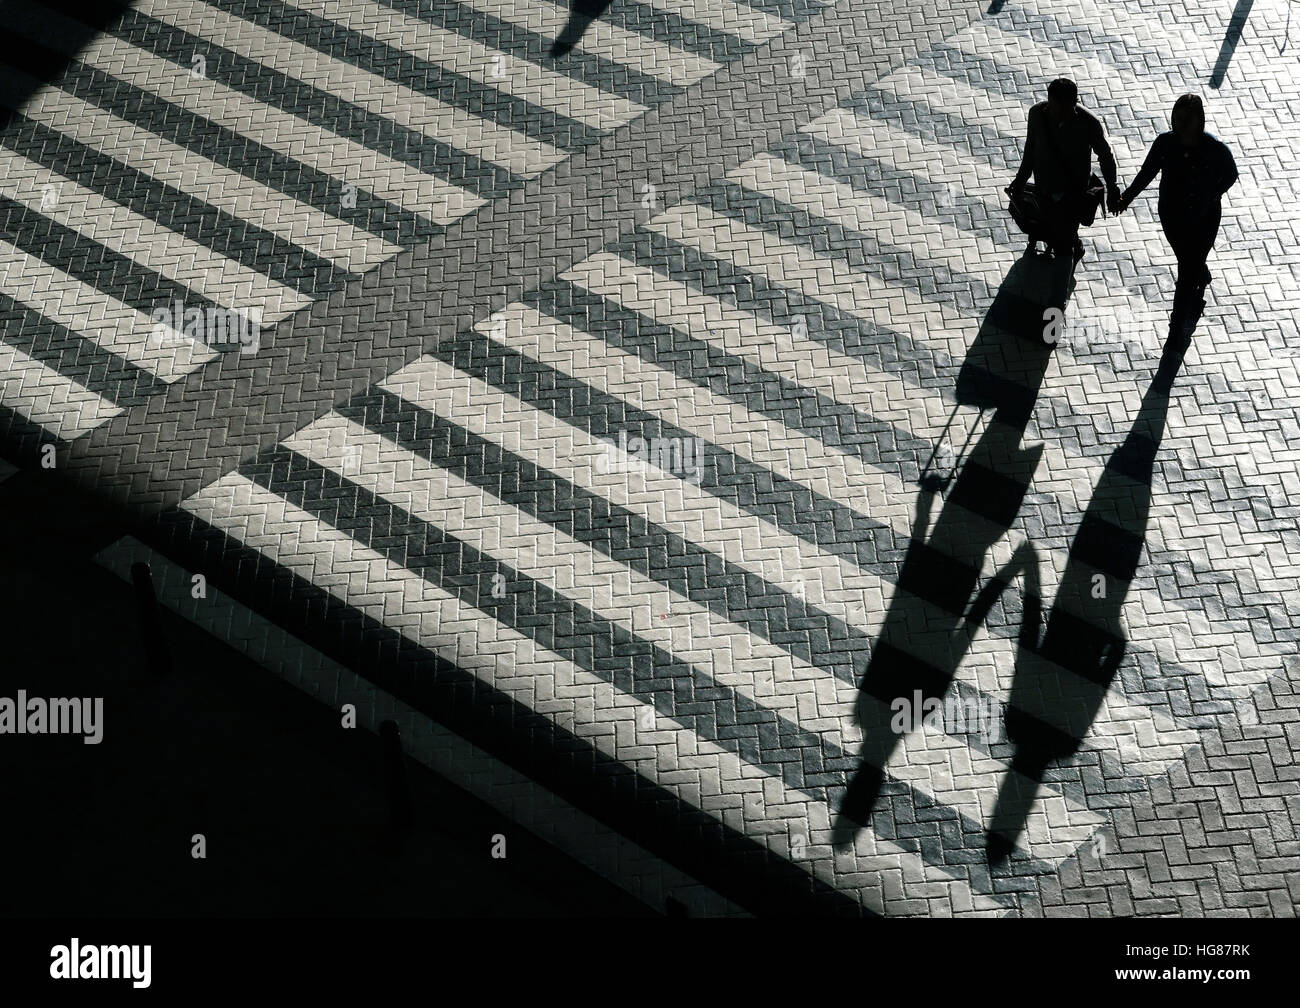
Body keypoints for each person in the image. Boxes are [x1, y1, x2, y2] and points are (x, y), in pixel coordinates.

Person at [1115, 94, 1238, 329]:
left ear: (1199, 120)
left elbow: (1231, 174)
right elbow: (1147, 173)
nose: (1180, 125)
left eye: (1187, 120)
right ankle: (1199, 275)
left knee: (1186, 268)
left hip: (1204, 217)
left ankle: (1179, 322)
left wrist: (1213, 194)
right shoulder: (1165, 143)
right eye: (1177, 118)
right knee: (1188, 259)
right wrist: (1127, 198)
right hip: (1173, 216)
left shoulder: (1215, 148)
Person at [1008, 78, 1123, 269]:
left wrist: (1112, 188)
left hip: (1072, 193)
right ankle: (1072, 246)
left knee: (1063, 245)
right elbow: (1030, 149)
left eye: (1068, 108)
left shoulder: (1089, 123)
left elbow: (1105, 156)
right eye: (1057, 107)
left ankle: (1060, 287)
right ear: (1049, 100)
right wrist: (1020, 180)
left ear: (1075, 102)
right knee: (1047, 226)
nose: (1062, 113)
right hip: (1044, 187)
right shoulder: (1036, 114)